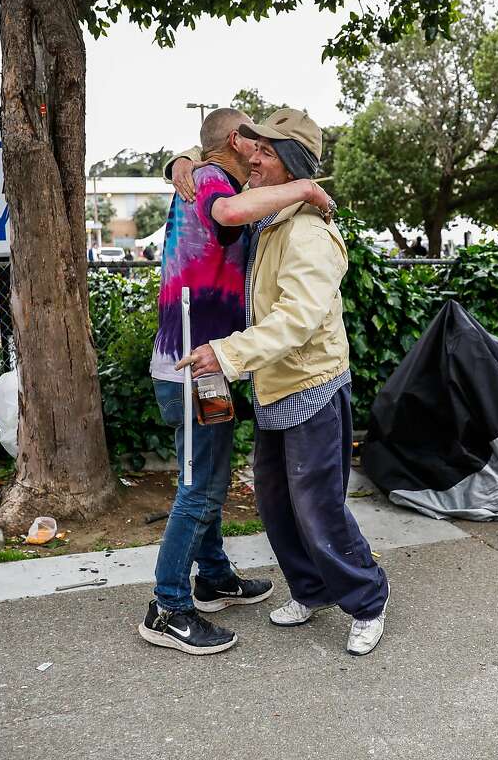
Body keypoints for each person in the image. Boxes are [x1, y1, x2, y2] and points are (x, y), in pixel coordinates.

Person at [178, 108, 390, 657]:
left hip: (312, 384)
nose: (253, 156)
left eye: (266, 152)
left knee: (318, 505)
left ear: (292, 165)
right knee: (275, 502)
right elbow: (209, 182)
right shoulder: (273, 220)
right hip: (275, 385)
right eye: (254, 149)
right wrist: (177, 162)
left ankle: (367, 601)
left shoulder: (309, 235)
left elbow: (296, 320)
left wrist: (227, 353)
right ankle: (310, 589)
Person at [140, 107, 331, 656]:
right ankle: (168, 608)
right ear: (235, 139)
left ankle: (214, 577)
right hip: (195, 367)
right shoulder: (210, 180)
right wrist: (308, 190)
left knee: (208, 477)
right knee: (200, 487)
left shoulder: (203, 172)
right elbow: (229, 211)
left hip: (206, 361)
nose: (262, 146)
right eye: (257, 138)